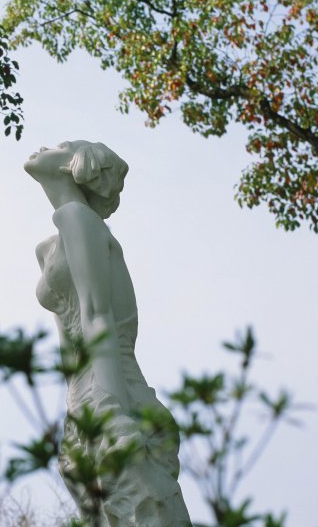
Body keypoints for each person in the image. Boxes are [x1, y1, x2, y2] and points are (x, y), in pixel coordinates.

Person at [25, 140, 192, 526]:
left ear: (76, 164)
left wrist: (114, 414)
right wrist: (75, 411)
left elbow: (98, 315)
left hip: (112, 380)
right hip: (83, 388)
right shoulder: (47, 247)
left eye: (61, 146)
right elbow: (69, 335)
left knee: (137, 504)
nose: (44, 147)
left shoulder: (78, 218)